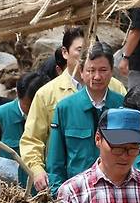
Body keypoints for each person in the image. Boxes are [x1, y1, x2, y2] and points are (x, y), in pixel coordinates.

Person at [20, 27, 126, 192]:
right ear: (65, 52)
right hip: (73, 186)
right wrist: (38, 170)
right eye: (81, 50)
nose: (97, 76)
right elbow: (32, 140)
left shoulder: (117, 91)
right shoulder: (47, 95)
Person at [47, 42, 124, 195]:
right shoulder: (65, 108)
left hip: (116, 192)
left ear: (111, 72)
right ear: (81, 72)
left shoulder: (122, 106)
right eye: (90, 70)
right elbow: (55, 162)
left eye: (103, 70)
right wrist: (58, 195)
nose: (97, 76)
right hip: (76, 194)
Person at [0, 72, 49, 186]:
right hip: (8, 192)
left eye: (38, 105)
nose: (34, 110)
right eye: (29, 105)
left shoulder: (52, 115)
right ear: (17, 94)